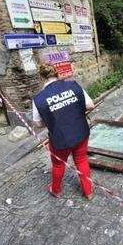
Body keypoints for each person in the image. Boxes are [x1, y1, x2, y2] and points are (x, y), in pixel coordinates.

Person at [32, 63, 95, 200]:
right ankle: (88, 192)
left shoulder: (39, 99)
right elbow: (90, 105)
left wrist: (50, 119)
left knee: (58, 164)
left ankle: (56, 190)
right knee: (82, 160)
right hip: (80, 132)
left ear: (42, 78)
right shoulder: (73, 85)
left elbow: (38, 124)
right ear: (57, 74)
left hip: (60, 139)